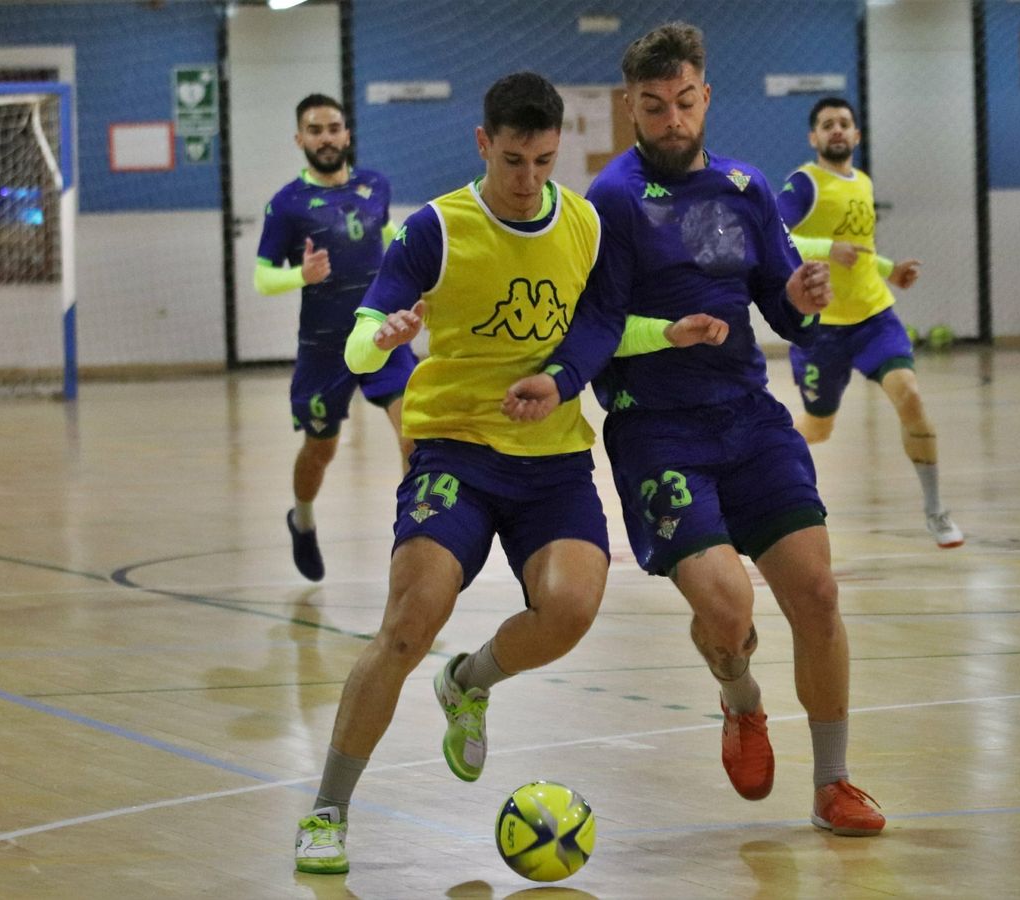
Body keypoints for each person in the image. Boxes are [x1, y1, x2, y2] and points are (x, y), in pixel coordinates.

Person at [292, 71, 726, 875]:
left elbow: (598, 330)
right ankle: (328, 811)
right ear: (484, 144)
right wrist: (383, 337)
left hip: (554, 459)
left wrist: (667, 332)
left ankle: (468, 681)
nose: (529, 181)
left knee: (569, 609)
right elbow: (358, 345)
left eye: (545, 162)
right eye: (515, 160)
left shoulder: (587, 227)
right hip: (455, 449)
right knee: (407, 621)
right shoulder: (436, 229)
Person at [506, 23, 887, 837]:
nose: (671, 120)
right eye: (653, 107)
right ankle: (741, 698)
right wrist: (563, 380)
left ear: (705, 96)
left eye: (684, 102)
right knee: (727, 605)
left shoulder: (746, 188)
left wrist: (807, 298)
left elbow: (780, 302)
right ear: (629, 109)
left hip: (750, 418)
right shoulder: (609, 200)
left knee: (817, 594)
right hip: (659, 432)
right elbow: (600, 320)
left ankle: (833, 783)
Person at [777, 96, 963, 548]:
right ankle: (761, 458)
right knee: (818, 428)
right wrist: (825, 248)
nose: (836, 130)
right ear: (813, 137)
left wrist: (889, 269)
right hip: (821, 330)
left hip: (875, 318)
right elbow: (776, 235)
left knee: (910, 396)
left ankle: (936, 510)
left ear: (857, 135)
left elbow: (856, 251)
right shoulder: (804, 183)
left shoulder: (861, 181)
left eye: (844, 123)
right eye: (827, 124)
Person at [254, 94, 415, 581]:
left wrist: (409, 279)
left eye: (333, 128)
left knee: (415, 435)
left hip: (381, 335)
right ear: (300, 139)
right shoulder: (286, 205)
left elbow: (389, 240)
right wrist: (300, 275)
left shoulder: (375, 185)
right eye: (315, 129)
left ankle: (415, 539)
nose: (326, 137)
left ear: (347, 134)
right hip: (325, 349)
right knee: (320, 449)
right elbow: (263, 277)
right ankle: (301, 520)